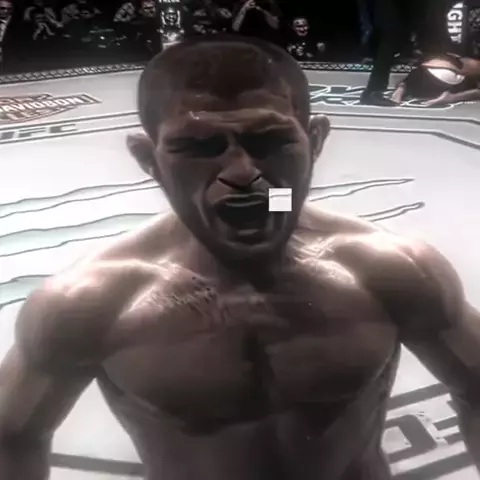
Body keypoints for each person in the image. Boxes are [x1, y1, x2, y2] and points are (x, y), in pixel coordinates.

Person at [1, 34, 480, 480]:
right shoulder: (90, 304)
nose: (242, 173)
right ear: (149, 160)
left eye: (269, 142)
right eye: (199, 147)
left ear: (314, 142)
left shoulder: (392, 270)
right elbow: (12, 436)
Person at [392, 52, 480, 105]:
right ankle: (451, 97)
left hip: (423, 71)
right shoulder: (472, 62)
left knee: (417, 76)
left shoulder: (453, 56)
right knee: (476, 91)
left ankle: (402, 88)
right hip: (446, 74)